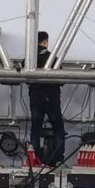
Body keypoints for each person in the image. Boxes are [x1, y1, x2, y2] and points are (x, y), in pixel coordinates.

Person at [29, 31, 65, 165]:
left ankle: (35, 159)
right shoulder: (53, 58)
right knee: (58, 129)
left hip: (35, 99)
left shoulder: (29, 59)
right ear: (45, 42)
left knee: (35, 130)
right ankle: (58, 159)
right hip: (51, 98)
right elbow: (62, 80)